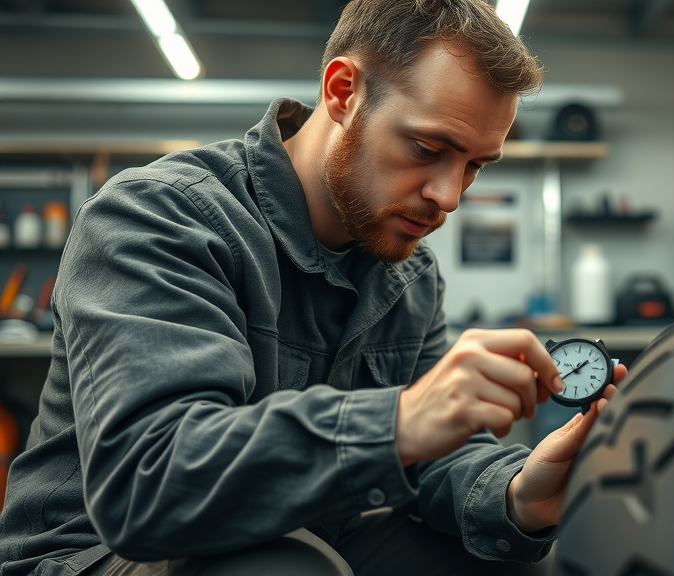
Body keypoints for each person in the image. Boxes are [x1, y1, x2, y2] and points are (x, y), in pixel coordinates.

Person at [0, 0, 626, 575]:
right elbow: (153, 483)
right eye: (429, 148)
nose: (450, 195)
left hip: (304, 536)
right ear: (342, 91)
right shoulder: (160, 217)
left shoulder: (408, 273)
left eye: (473, 166)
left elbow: (430, 459)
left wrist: (519, 493)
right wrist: (397, 422)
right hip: (100, 555)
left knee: (506, 557)